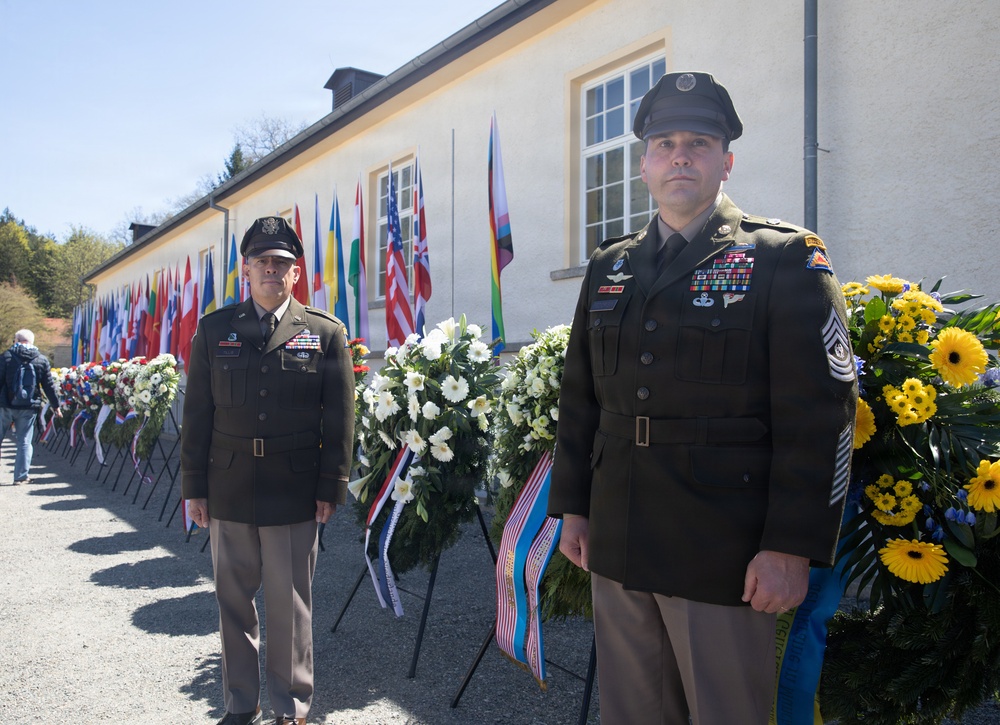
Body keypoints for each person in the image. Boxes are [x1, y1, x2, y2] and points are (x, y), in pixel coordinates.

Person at [547, 72, 858, 724]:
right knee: (633, 713)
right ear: (643, 165)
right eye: (663, 144)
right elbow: (580, 398)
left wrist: (790, 546)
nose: (679, 155)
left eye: (698, 141)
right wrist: (572, 507)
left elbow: (821, 414)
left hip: (723, 548)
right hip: (620, 532)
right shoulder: (611, 265)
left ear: (727, 160)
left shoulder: (782, 258)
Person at [182, 216, 356, 725]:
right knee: (233, 606)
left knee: (290, 610)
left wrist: (331, 486)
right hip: (229, 486)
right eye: (262, 262)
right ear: (246, 269)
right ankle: (240, 705)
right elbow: (197, 416)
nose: (271, 271)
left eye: (281, 263)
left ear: (295, 274)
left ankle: (291, 707)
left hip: (294, 490)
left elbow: (340, 417)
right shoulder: (215, 330)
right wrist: (194, 488)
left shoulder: (324, 333)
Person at [0, 329, 62, 484]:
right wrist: (56, 406)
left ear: (15, 340)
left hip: (5, 405)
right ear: (32, 342)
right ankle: (20, 477)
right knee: (24, 441)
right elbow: (48, 386)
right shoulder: (41, 359)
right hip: (29, 406)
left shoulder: (6, 357)